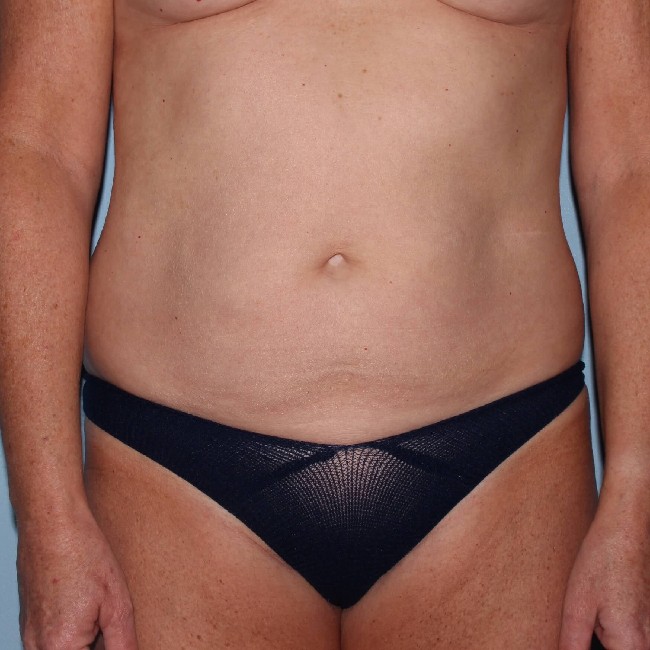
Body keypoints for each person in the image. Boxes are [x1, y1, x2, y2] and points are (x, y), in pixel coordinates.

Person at [0, 0, 648, 648]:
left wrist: (636, 497)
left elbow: (631, 168)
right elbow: (36, 151)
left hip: (507, 460)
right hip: (172, 468)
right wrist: (48, 517)